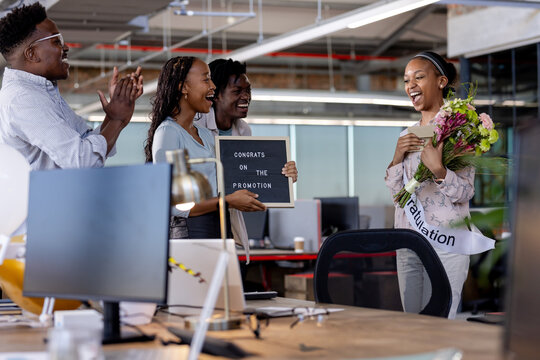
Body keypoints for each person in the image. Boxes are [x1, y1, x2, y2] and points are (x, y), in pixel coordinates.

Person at [0, 3, 143, 170]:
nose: (66, 47)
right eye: (57, 41)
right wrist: (117, 120)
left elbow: (85, 142)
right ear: (32, 53)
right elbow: (82, 161)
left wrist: (112, 117)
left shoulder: (39, 93)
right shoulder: (24, 99)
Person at [384, 51, 473, 319]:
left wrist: (438, 169)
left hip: (446, 241)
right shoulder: (407, 134)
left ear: (442, 81)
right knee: (412, 322)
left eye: (419, 77)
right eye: (406, 80)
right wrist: (397, 156)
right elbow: (397, 196)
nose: (410, 85)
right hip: (409, 240)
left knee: (440, 321)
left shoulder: (460, 130)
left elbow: (466, 192)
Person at [145, 56, 266, 243]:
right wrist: (227, 201)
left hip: (218, 231)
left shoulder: (204, 134)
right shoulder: (169, 132)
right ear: (183, 87)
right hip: (190, 236)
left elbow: (229, 182)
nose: (213, 86)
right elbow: (177, 205)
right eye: (205, 79)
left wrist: (278, 173)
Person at [195, 58, 298, 182]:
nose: (246, 97)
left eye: (248, 90)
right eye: (237, 91)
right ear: (215, 95)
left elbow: (244, 172)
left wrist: (282, 174)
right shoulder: (196, 126)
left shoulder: (244, 130)